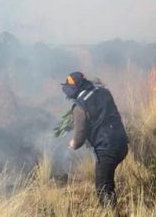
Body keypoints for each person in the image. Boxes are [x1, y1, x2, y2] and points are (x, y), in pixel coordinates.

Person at [62, 71, 129, 209]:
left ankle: (111, 212)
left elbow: (79, 138)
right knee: (107, 181)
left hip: (107, 149)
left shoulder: (79, 108)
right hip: (122, 144)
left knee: (103, 188)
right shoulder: (103, 91)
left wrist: (73, 144)